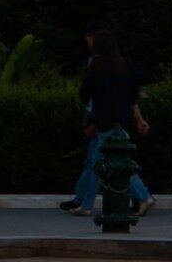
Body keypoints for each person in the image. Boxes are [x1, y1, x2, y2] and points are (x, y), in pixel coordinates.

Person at [69, 26, 152, 224]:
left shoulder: (97, 68)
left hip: (104, 122)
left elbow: (84, 94)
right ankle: (86, 204)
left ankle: (142, 196)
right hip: (122, 122)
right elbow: (142, 80)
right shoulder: (124, 66)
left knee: (106, 165)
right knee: (106, 163)